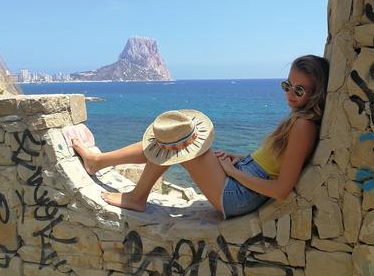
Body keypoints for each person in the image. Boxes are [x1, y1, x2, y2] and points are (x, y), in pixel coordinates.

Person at [72, 55, 329, 219]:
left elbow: (281, 189)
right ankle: (100, 163)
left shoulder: (303, 126)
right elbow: (272, 164)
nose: (290, 94)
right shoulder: (297, 120)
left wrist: (235, 172)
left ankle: (133, 194)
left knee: (178, 139)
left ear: (316, 93)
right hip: (243, 178)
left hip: (238, 196)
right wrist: (238, 159)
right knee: (174, 138)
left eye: (300, 90)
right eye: (287, 86)